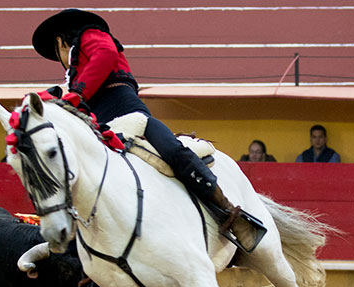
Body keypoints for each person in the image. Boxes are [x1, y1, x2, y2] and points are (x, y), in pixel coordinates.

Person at [32, 9, 263, 248]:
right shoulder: (72, 76)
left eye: (55, 50)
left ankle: (231, 214)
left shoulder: (91, 35)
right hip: (99, 128)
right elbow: (57, 97)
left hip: (129, 114)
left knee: (173, 151)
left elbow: (105, 54)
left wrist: (76, 94)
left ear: (60, 41)